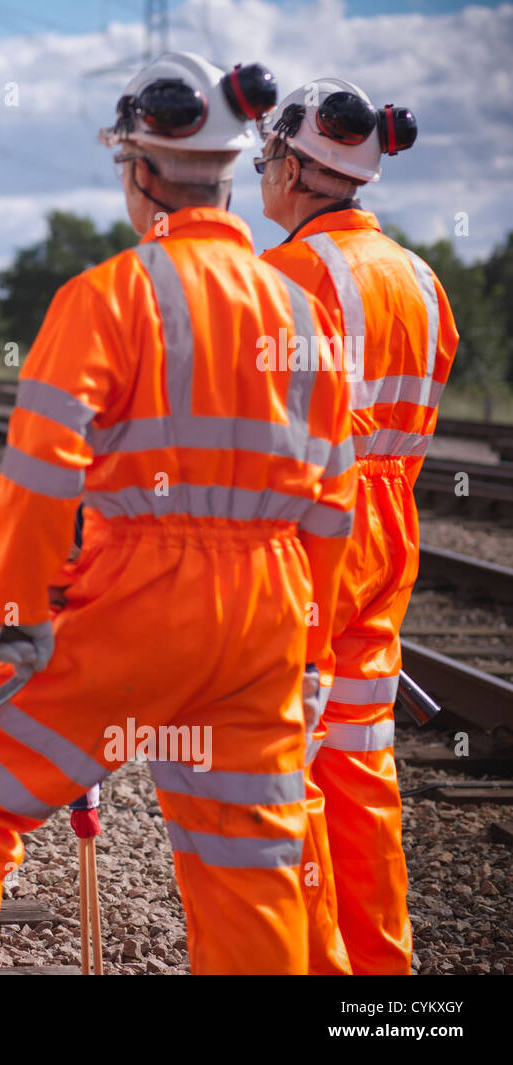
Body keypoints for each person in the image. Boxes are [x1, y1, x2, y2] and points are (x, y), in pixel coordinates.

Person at [0, 52, 358, 975]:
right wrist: (311, 650)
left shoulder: (108, 297)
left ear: (141, 172)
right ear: (226, 176)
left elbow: (42, 472)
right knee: (249, 860)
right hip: (268, 617)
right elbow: (333, 509)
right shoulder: (304, 315)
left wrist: (15, 619)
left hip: (144, 596)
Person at [257, 79, 458, 975]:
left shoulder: (289, 275)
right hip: (391, 533)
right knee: (361, 761)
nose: (263, 177)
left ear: (297, 169)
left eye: (267, 161)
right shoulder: (421, 279)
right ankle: (385, 983)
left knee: (284, 763)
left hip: (314, 536)